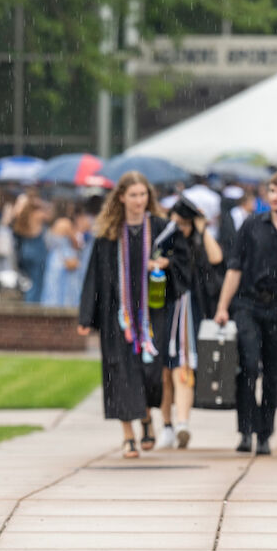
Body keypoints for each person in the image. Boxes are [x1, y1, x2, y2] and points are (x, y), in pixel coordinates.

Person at [213, 170, 277, 456]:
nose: (275, 197)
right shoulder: (250, 225)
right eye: (272, 191)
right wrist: (223, 307)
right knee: (247, 365)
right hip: (248, 304)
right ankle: (246, 430)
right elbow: (234, 267)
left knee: (274, 374)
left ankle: (264, 434)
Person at [78, 171, 169, 458]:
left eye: (143, 195)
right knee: (120, 374)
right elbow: (94, 277)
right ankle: (128, 434)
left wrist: (165, 264)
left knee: (150, 373)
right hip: (116, 316)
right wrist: (85, 317)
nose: (139, 201)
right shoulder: (108, 235)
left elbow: (182, 266)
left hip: (152, 313)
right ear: (121, 198)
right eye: (133, 195)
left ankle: (145, 418)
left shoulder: (160, 230)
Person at [153, 196, 224, 450]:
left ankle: (182, 423)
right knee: (163, 372)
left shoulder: (197, 242)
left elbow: (216, 259)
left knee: (182, 367)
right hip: (162, 308)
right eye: (177, 223)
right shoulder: (162, 240)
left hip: (188, 310)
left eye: (185, 223)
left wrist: (202, 228)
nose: (181, 228)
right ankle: (167, 425)